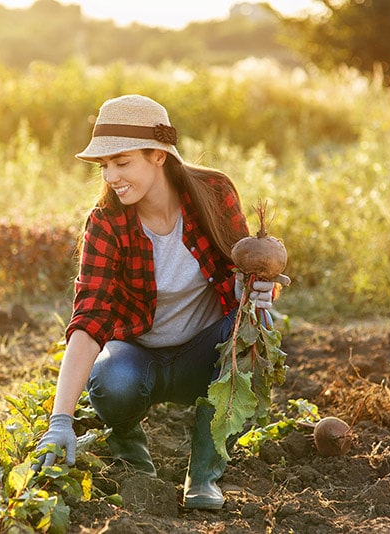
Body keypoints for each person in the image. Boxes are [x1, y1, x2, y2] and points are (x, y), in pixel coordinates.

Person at [35, 94, 289, 510]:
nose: (111, 176)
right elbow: (89, 319)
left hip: (205, 352)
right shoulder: (106, 222)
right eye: (105, 166)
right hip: (139, 357)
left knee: (255, 333)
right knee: (112, 381)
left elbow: (243, 276)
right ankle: (135, 460)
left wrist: (260, 291)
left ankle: (204, 474)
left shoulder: (213, 192)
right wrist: (60, 419)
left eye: (122, 162)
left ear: (158, 155)